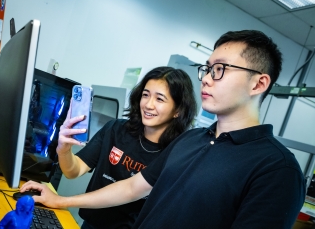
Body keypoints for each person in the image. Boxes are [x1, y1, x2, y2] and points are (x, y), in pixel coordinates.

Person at [20, 30, 306, 228]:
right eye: (206, 69)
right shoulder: (193, 140)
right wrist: (60, 200)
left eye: (219, 69)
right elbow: (132, 187)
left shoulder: (277, 170)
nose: (206, 79)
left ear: (258, 84)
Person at [22, 66, 198, 228]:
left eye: (160, 99)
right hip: (91, 224)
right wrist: (64, 150)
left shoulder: (174, 153)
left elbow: (129, 190)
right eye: (146, 95)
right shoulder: (116, 129)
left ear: (178, 111)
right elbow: (73, 171)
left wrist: (61, 201)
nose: (148, 104)